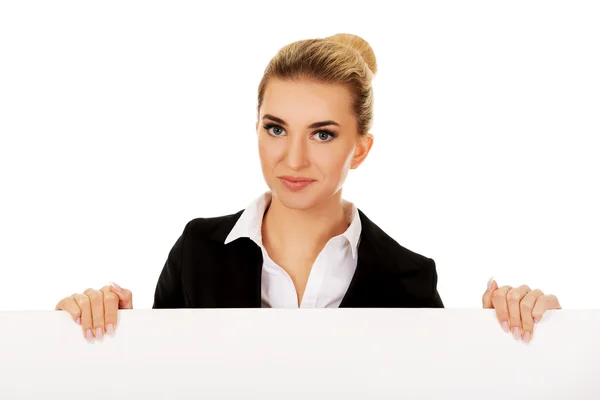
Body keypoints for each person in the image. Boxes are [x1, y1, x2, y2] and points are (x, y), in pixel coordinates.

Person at [55, 33, 561, 345]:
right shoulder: (196, 252)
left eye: (323, 134)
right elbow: (152, 384)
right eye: (275, 128)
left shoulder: (409, 278)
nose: (292, 159)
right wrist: (92, 333)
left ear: (359, 149)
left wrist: (520, 336)